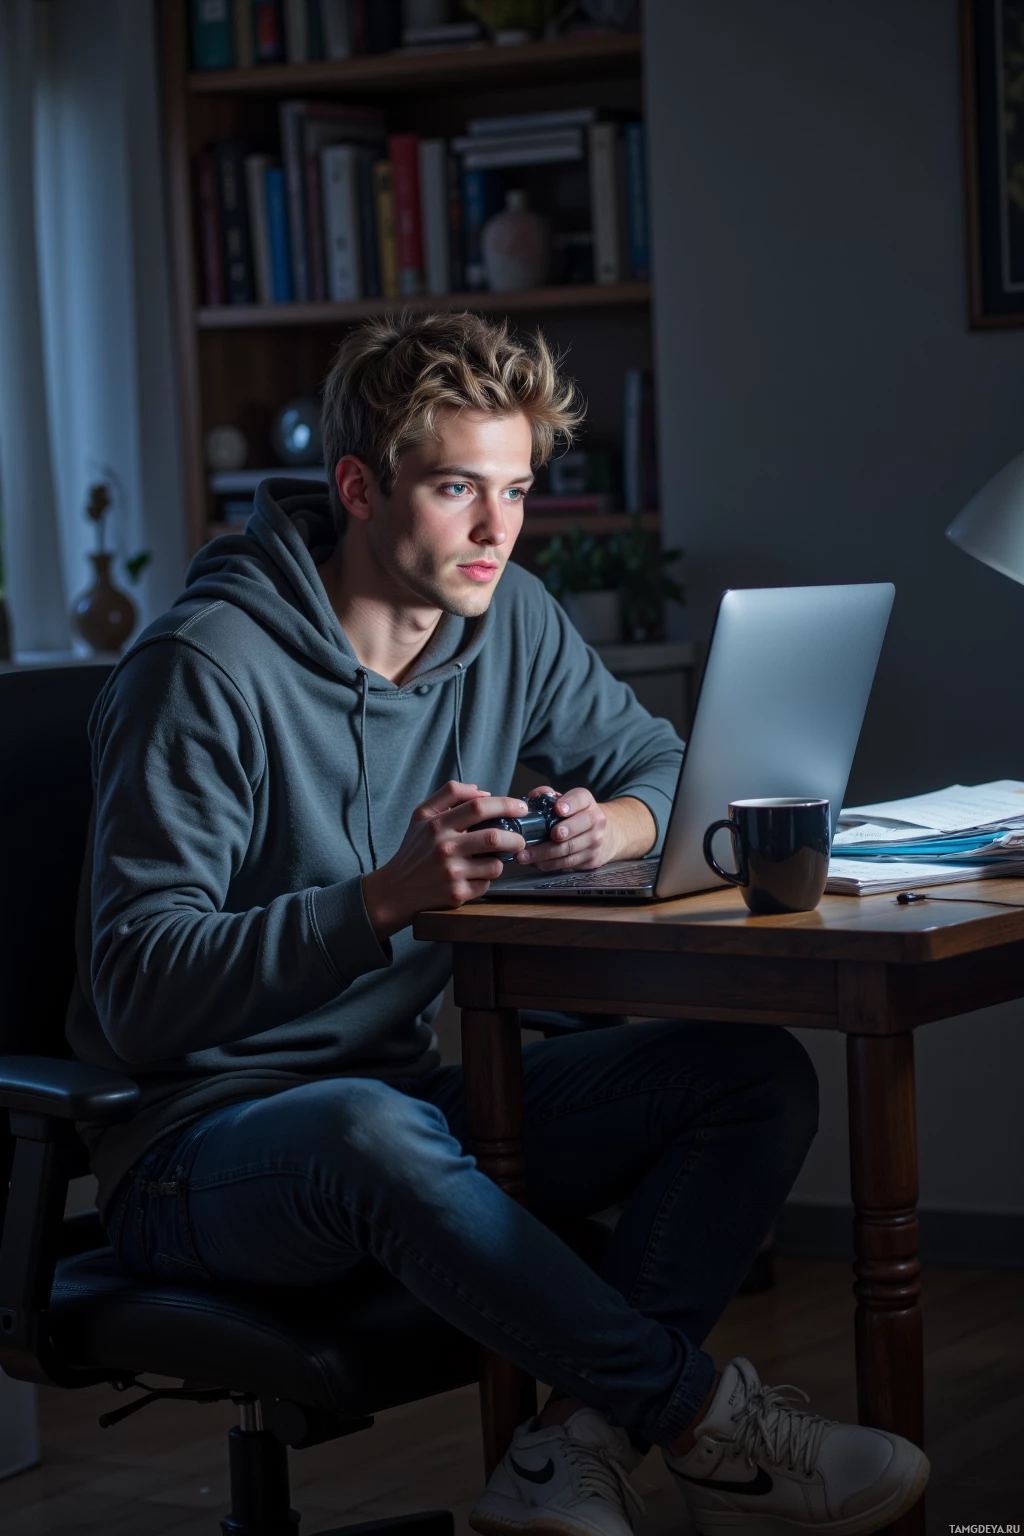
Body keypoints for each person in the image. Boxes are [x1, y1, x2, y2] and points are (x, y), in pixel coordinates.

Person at [68, 311, 928, 1536]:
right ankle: (700, 1424)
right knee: (369, 1126)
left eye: (517, 490)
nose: (495, 530)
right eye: (458, 488)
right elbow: (136, 989)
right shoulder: (202, 670)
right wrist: (379, 903)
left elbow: (658, 763)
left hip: (397, 1110)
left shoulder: (503, 615)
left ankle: (563, 1451)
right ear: (359, 486)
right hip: (194, 1152)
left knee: (746, 1075)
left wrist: (614, 826)